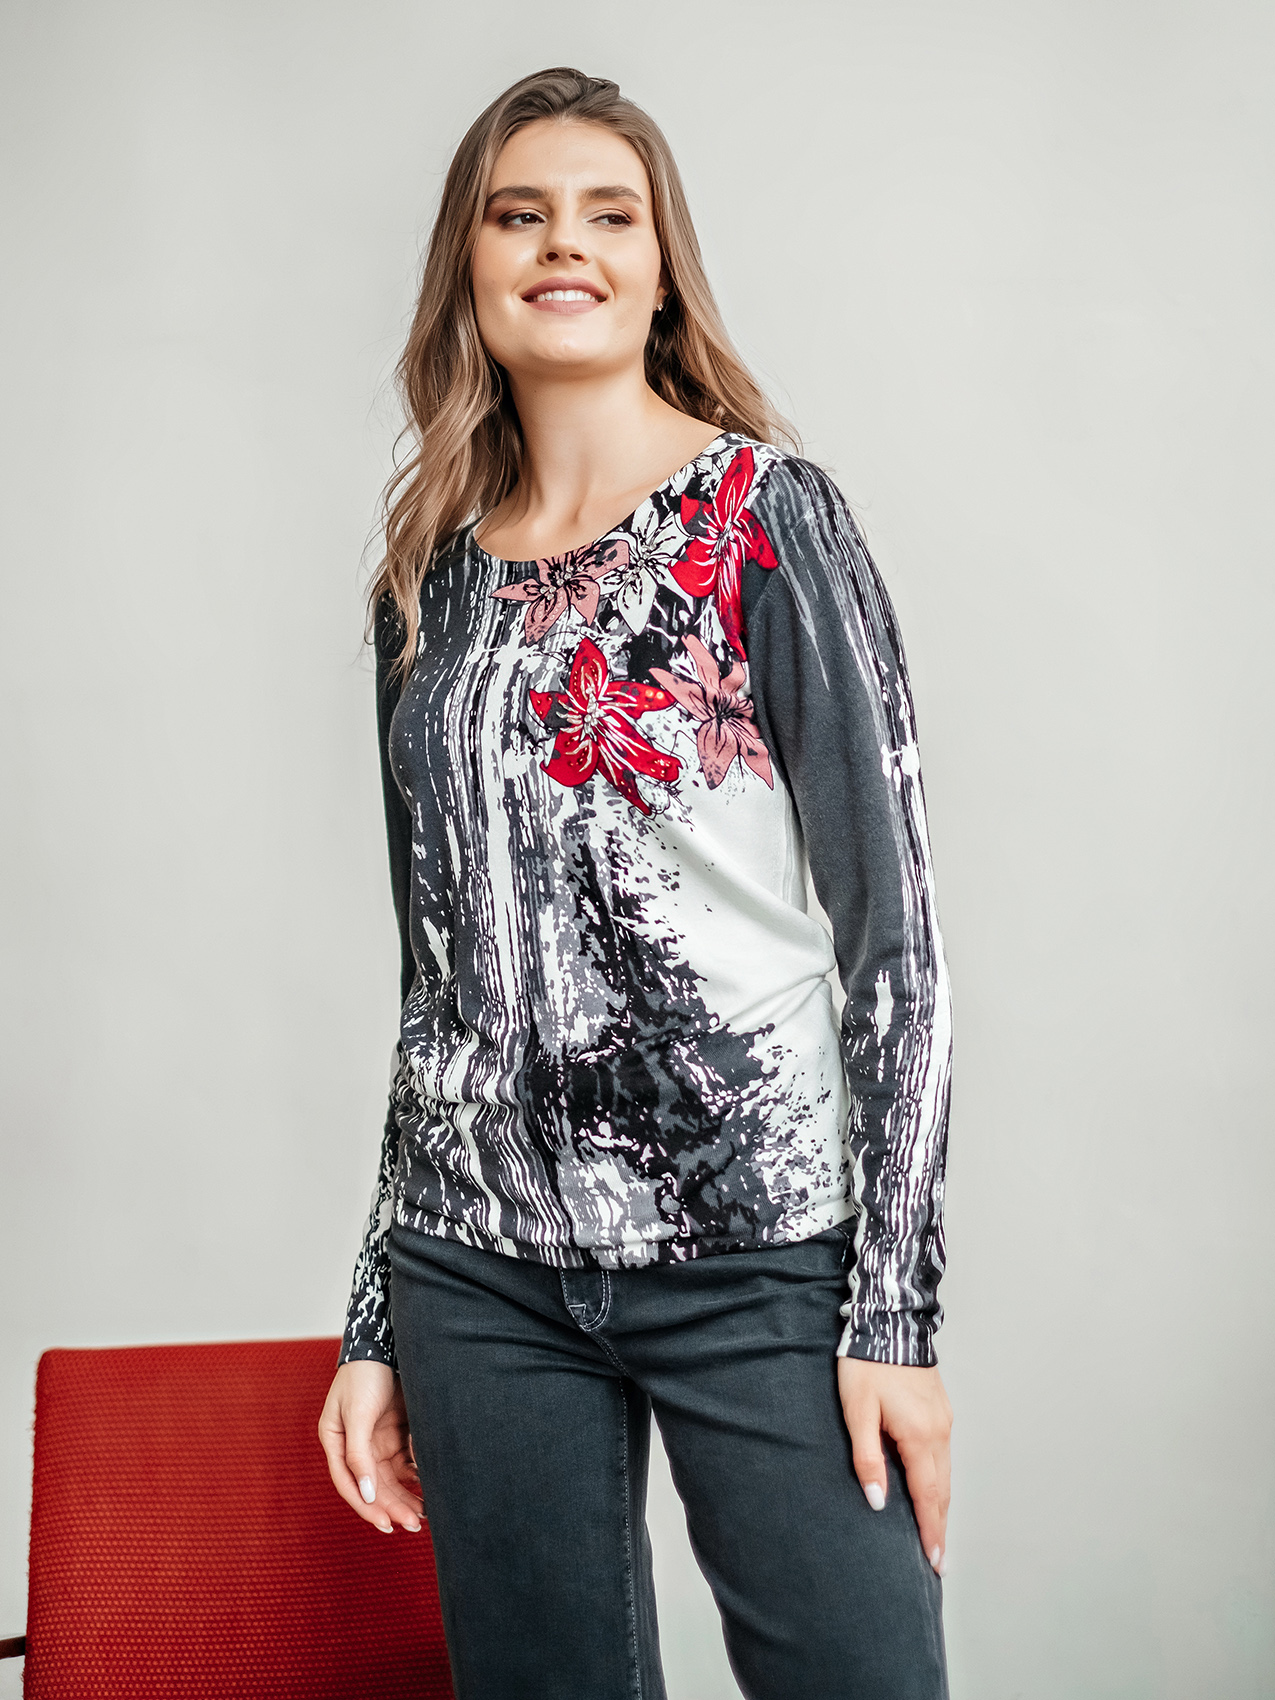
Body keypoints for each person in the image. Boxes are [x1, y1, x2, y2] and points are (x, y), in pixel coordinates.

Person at [318, 65, 954, 1700]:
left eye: (611, 215)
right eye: (519, 214)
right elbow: (436, 979)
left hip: (754, 1243)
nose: (565, 245)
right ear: (469, 263)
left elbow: (896, 947)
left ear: (662, 268)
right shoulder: (425, 589)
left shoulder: (766, 520)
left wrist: (893, 1316)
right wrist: (379, 1314)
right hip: (477, 1270)